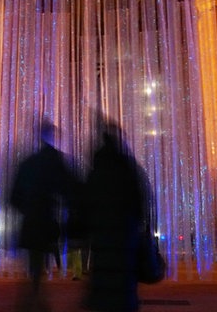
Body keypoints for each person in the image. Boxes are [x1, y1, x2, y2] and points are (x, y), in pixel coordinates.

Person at [10, 118, 80, 310]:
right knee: (38, 265)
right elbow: (70, 188)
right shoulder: (54, 160)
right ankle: (35, 301)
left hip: (31, 222)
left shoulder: (29, 162)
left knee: (34, 264)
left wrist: (28, 209)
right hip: (45, 222)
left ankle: (31, 300)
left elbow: (14, 196)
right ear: (52, 136)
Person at [84, 122, 150, 312]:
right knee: (124, 291)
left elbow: (84, 206)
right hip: (125, 241)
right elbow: (141, 202)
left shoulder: (95, 172)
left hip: (101, 244)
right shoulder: (129, 169)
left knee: (104, 291)